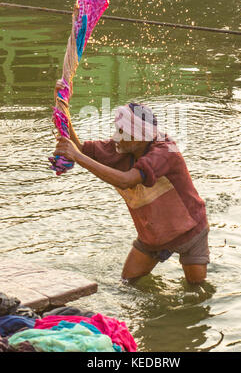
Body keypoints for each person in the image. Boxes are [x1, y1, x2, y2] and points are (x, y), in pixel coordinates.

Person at [53, 80, 210, 284]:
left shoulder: (165, 152)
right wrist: (61, 103)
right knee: (128, 284)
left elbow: (127, 180)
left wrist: (77, 157)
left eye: (121, 132)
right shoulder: (122, 147)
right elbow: (79, 149)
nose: (115, 137)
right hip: (153, 235)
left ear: (138, 138)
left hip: (189, 232)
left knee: (196, 291)